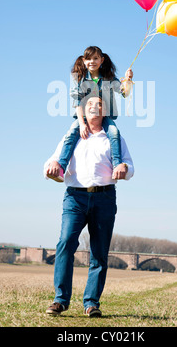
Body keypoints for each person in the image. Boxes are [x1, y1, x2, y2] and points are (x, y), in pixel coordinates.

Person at [44, 95, 134, 317]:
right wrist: (51, 165)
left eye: (100, 105)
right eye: (90, 104)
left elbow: (130, 166)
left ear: (105, 112)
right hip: (75, 197)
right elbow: (52, 160)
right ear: (82, 111)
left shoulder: (114, 138)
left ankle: (91, 303)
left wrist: (124, 168)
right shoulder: (73, 134)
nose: (95, 107)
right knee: (65, 243)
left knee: (99, 253)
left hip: (104, 198)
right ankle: (60, 300)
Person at [48, 46, 133, 183]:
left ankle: (117, 164)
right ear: (84, 60)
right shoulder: (80, 79)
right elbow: (77, 103)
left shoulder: (108, 78)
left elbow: (124, 92)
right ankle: (61, 168)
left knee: (114, 132)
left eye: (95, 58)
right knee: (71, 134)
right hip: (83, 117)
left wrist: (128, 80)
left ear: (102, 60)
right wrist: (82, 124)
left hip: (104, 116)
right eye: (88, 58)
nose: (92, 61)